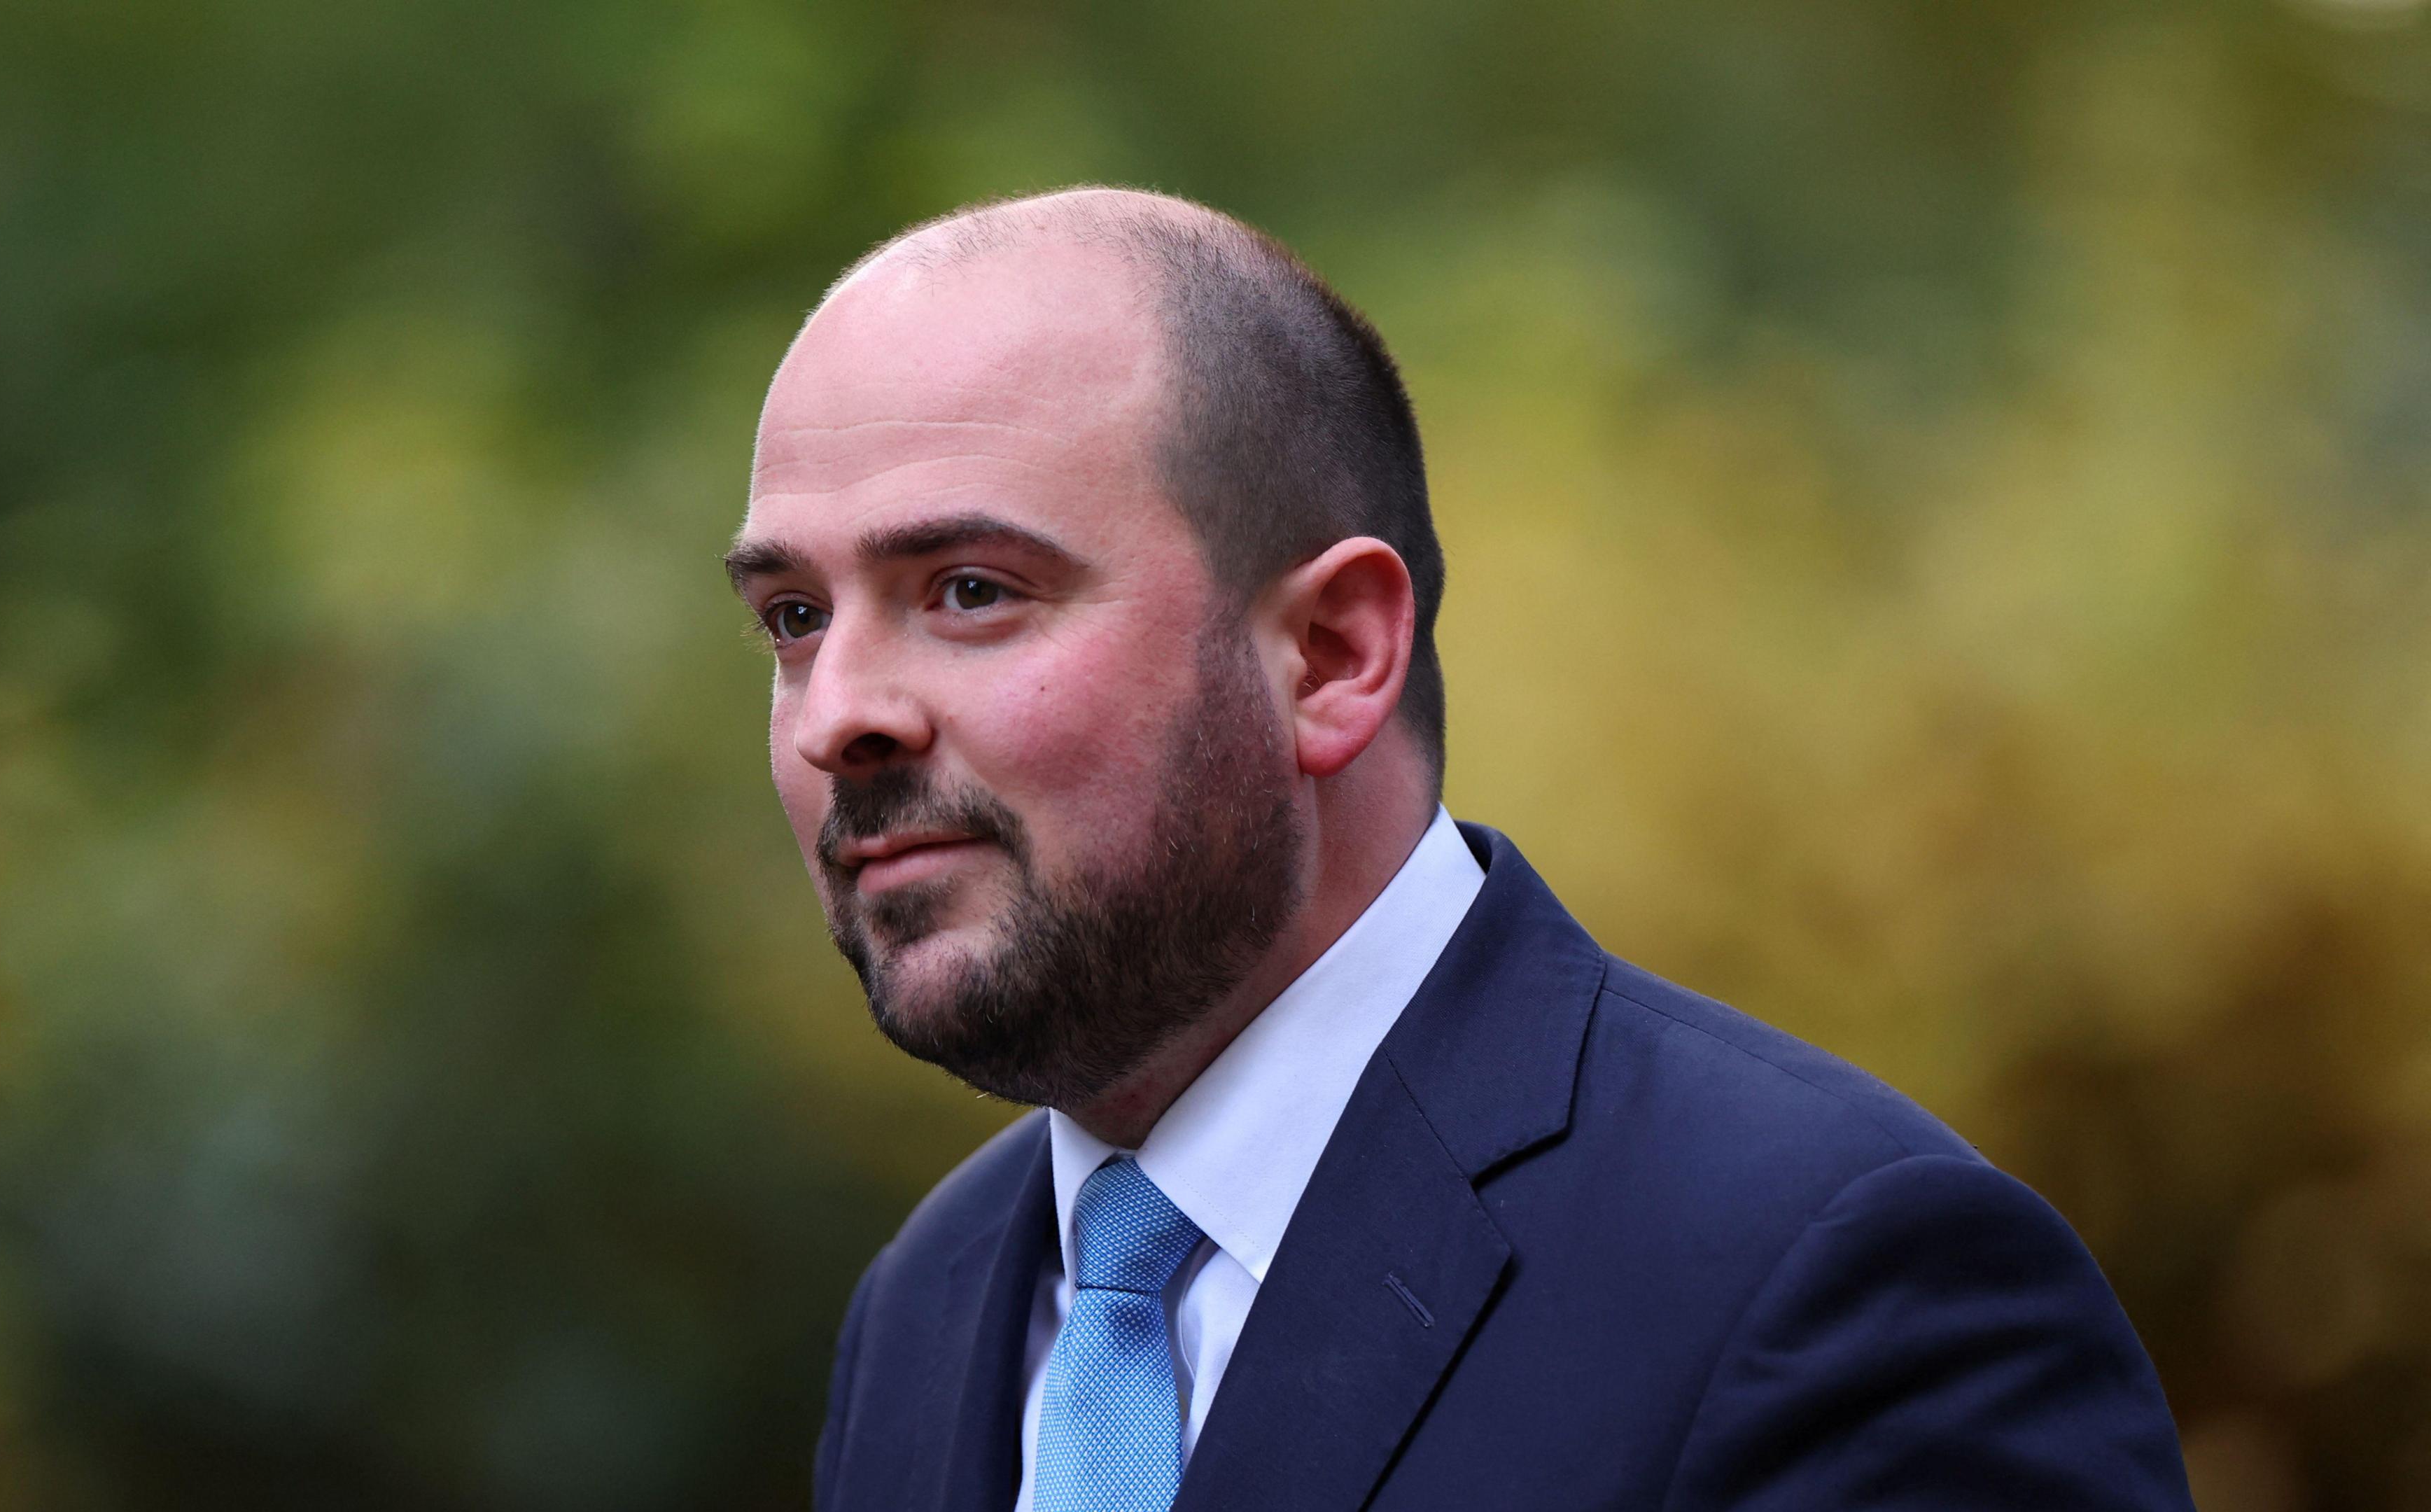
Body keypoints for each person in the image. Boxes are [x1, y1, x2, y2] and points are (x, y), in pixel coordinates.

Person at [728, 186, 2194, 1511]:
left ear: (1330, 654)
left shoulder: (1836, 1287)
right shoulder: (931, 1310)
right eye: (794, 617)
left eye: (971, 588)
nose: (837, 717)